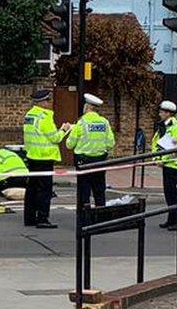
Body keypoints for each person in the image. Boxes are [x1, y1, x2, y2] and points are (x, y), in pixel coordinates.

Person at [23, 89, 70, 229]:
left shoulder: (29, 115)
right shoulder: (44, 117)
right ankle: (43, 218)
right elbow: (55, 138)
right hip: (44, 157)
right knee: (44, 190)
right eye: (48, 100)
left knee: (31, 189)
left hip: (32, 156)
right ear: (42, 102)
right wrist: (64, 129)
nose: (49, 103)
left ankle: (30, 218)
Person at [66, 93, 115, 207]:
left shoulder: (82, 122)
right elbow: (111, 143)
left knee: (84, 191)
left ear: (87, 107)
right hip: (100, 161)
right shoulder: (104, 122)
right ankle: (100, 218)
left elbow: (70, 144)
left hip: (84, 162)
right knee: (99, 190)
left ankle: (83, 220)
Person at [152, 100, 177, 230]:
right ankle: (171, 220)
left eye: (161, 112)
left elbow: (175, 147)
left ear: (168, 113)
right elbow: (157, 144)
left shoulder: (175, 127)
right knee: (169, 193)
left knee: (172, 194)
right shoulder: (164, 125)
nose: (159, 113)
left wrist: (163, 160)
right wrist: (156, 158)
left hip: (173, 165)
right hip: (167, 164)